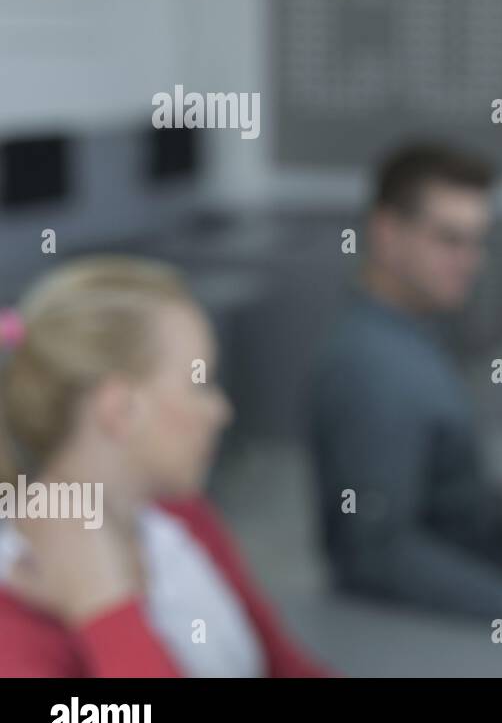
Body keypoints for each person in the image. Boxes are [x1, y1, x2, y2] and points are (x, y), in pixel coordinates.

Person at [0, 256, 329, 677]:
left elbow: (282, 667)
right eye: (201, 384)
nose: (221, 411)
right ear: (121, 409)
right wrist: (106, 609)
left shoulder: (183, 516)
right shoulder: (15, 613)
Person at [307, 141, 502, 624]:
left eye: (477, 241)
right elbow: (377, 554)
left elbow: (431, 501)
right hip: (427, 621)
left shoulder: (410, 332)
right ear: (387, 233)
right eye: (449, 240)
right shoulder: (372, 367)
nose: (473, 261)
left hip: (479, 561)